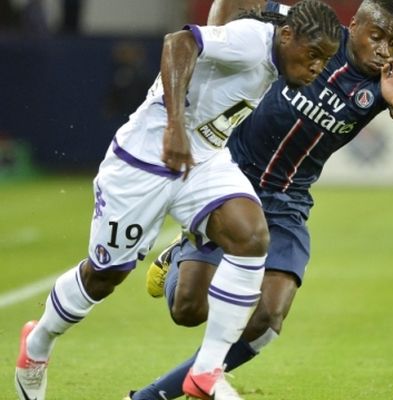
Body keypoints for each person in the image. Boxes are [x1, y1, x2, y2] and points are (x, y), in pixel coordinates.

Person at [14, 2, 341, 399]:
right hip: (145, 161)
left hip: (203, 161)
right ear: (288, 37)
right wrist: (174, 127)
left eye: (323, 60)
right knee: (104, 276)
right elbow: (180, 41)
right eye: (313, 56)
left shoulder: (283, 37)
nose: (316, 68)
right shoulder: (253, 42)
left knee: (251, 236)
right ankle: (38, 344)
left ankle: (205, 371)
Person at [126, 0, 393, 399]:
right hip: (232, 180)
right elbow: (233, 4)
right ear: (352, 25)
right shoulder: (314, 33)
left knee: (267, 319)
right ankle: (180, 256)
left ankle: (154, 395)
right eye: (376, 37)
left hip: (288, 200)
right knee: (188, 310)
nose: (384, 50)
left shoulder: (387, 81)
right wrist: (217, 63)